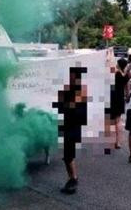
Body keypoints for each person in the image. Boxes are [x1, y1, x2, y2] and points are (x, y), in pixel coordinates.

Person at [53, 67, 89, 195]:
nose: (70, 77)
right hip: (66, 124)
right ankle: (71, 178)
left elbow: (73, 106)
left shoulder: (82, 90)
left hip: (73, 126)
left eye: (72, 75)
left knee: (68, 154)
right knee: (67, 155)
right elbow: (58, 104)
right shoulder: (67, 89)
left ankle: (73, 178)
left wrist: (64, 99)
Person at [109, 54, 131, 150]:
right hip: (119, 98)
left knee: (111, 119)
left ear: (118, 65)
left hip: (111, 97)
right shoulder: (125, 76)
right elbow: (126, 86)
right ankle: (118, 142)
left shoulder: (115, 74)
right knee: (118, 120)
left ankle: (112, 139)